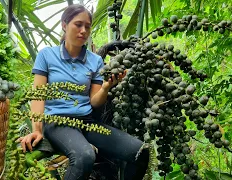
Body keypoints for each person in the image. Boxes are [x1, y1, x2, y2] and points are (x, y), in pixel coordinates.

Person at [17, 4, 149, 180]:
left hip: (87, 123)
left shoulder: (94, 61)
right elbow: (38, 96)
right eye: (78, 25)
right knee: (84, 157)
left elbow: (94, 101)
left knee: (140, 152)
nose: (83, 30)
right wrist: (37, 130)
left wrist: (106, 87)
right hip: (57, 122)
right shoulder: (46, 55)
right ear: (64, 25)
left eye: (87, 26)